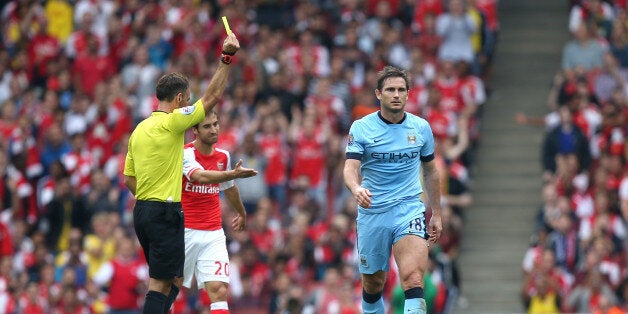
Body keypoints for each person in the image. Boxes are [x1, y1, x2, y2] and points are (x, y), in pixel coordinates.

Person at [123, 32, 240, 314]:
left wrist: (149, 197)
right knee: (161, 285)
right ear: (178, 99)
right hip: (164, 212)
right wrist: (227, 57)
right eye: (187, 100)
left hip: (142, 212)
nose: (188, 105)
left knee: (167, 282)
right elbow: (211, 98)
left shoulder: (139, 129)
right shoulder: (173, 123)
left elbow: (128, 178)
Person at [343, 66, 442, 314]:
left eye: (401, 90)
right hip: (373, 212)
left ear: (408, 94)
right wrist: (356, 188)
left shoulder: (420, 128)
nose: (396, 94)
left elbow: (431, 171)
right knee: (374, 283)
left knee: (413, 279)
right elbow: (350, 167)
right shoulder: (361, 128)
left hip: (408, 209)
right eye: (390, 90)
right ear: (379, 94)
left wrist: (437, 213)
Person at [180, 110, 257, 314]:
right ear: (194, 130)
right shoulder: (185, 154)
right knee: (171, 289)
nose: (213, 129)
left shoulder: (223, 156)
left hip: (213, 232)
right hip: (184, 231)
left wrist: (241, 212)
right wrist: (233, 173)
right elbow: (201, 177)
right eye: (207, 126)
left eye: (216, 124)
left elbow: (229, 186)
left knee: (219, 289)